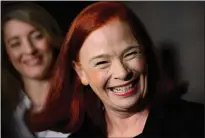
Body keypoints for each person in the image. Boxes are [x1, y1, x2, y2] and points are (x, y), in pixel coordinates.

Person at [39, 2, 204, 137]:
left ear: (145, 53)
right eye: (102, 62)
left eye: (130, 53)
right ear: (81, 72)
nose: (122, 73)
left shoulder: (196, 123)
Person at [2, 2, 70, 137]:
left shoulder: (83, 99)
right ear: (6, 53)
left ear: (51, 37)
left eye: (37, 36)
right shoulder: (6, 114)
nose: (29, 50)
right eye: (15, 44)